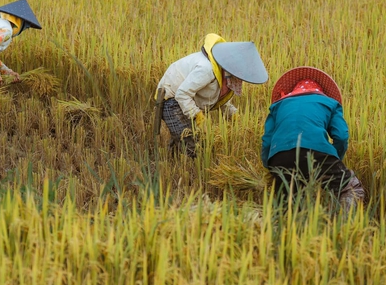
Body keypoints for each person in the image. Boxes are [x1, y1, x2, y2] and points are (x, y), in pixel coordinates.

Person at [260, 67, 364, 208]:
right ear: (321, 92)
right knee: (350, 188)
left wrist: (270, 165)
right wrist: (334, 159)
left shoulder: (278, 105)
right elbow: (341, 136)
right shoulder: (331, 103)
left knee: (288, 205)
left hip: (279, 157)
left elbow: (267, 141)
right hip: (317, 153)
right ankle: (343, 226)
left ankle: (283, 227)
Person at [156, 33, 268, 158]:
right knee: (192, 146)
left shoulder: (225, 75)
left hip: (186, 100)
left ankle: (170, 163)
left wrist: (234, 116)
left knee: (183, 144)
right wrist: (197, 115)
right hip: (172, 100)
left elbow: (219, 101)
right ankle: (185, 170)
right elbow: (182, 94)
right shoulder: (207, 69)